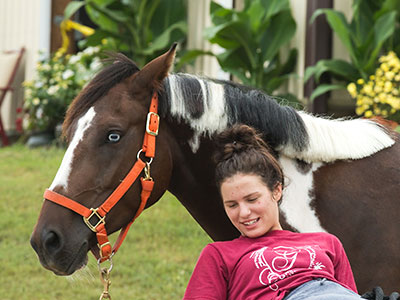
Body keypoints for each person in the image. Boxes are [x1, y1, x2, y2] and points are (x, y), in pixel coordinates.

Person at [183, 124, 363, 300]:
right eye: (232, 205)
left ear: (276, 191)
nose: (244, 212)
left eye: (252, 199)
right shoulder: (219, 255)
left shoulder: (328, 243)